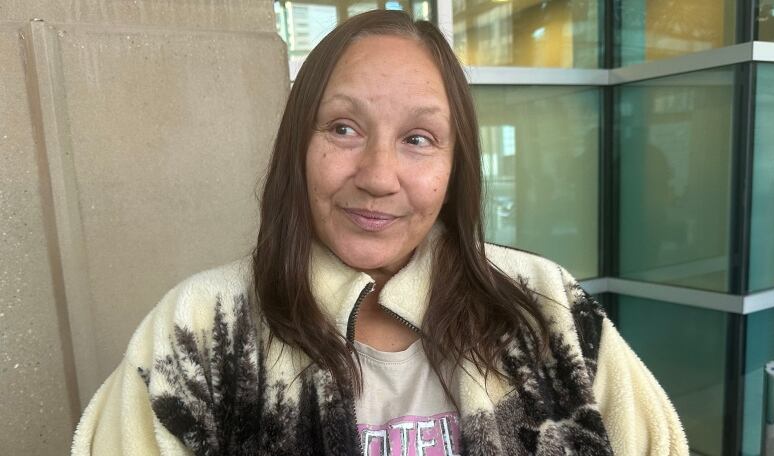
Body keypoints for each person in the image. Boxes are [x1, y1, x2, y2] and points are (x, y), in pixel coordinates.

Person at [72, 10, 687, 456]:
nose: (377, 176)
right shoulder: (201, 330)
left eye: (418, 139)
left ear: (455, 167)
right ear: (297, 147)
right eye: (343, 128)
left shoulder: (545, 307)